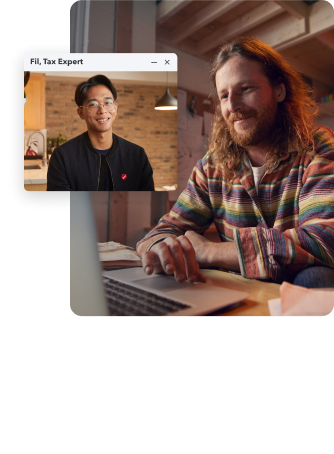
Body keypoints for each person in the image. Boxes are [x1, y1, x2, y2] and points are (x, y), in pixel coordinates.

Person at [136, 37, 334, 289]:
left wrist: (211, 252)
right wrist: (161, 248)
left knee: (317, 278)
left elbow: (324, 240)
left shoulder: (317, 146)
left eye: (246, 89)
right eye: (225, 95)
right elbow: (163, 231)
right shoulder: (210, 169)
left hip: (299, 291)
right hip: (240, 293)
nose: (233, 105)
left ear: (279, 91)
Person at [47, 74, 154, 191]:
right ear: (81, 113)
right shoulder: (63, 157)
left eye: (108, 103)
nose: (102, 110)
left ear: (115, 108)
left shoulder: (137, 155)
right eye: (93, 104)